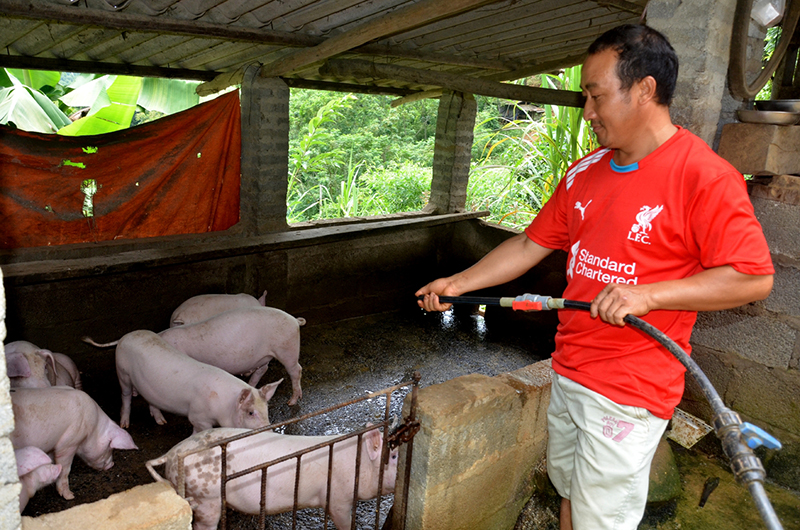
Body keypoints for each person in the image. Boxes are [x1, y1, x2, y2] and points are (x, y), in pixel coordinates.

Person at [416, 24, 774, 530]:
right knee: (570, 494)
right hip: (569, 368)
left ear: (645, 89)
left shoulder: (703, 176)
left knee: (600, 519)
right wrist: (459, 283)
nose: (587, 112)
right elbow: (527, 244)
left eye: (595, 95)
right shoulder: (586, 171)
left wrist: (648, 295)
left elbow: (752, 277)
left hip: (630, 390)